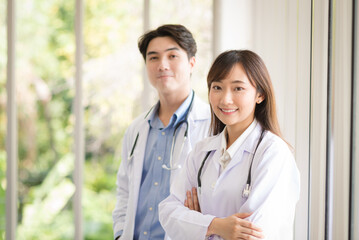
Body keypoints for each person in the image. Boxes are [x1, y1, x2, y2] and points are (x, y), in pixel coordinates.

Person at [159, 50, 300, 240]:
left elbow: (252, 235)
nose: (225, 99)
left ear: (260, 95)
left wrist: (197, 225)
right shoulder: (202, 152)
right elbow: (168, 211)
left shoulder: (273, 153)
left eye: (238, 88)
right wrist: (215, 225)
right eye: (217, 87)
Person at [112, 24, 212, 240]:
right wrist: (120, 234)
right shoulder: (136, 129)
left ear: (192, 63)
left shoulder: (212, 126)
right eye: (153, 58)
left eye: (172, 56)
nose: (162, 65)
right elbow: (124, 193)